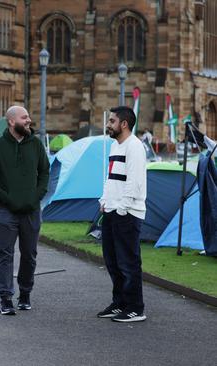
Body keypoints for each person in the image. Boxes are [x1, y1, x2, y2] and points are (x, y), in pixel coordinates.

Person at [0, 105, 49, 315]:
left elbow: (45, 172)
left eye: (28, 117)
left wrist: (35, 196)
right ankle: (6, 298)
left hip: (31, 211)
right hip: (5, 212)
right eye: (24, 117)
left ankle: (25, 293)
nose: (29, 120)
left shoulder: (36, 145)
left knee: (29, 254)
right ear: (12, 121)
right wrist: (6, 199)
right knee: (5, 254)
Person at [97, 106, 147, 323]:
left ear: (124, 124)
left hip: (127, 212)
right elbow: (111, 178)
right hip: (111, 210)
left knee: (128, 262)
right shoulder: (114, 146)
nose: (108, 124)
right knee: (113, 261)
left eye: (112, 121)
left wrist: (122, 208)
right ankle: (120, 304)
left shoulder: (135, 147)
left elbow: (134, 182)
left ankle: (136, 308)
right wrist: (104, 201)